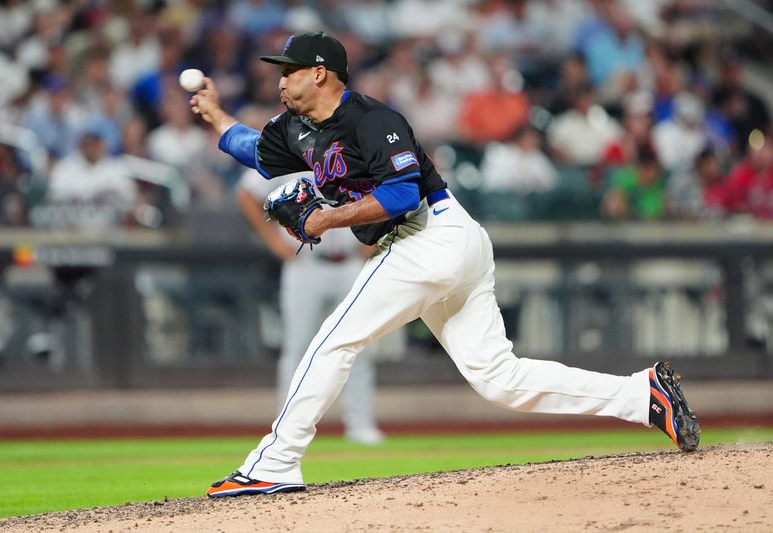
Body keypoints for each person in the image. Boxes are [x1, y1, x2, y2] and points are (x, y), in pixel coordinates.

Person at [189, 31, 700, 498]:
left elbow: (400, 192)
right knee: (499, 378)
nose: (278, 80)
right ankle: (642, 396)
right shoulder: (295, 128)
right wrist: (214, 113)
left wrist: (329, 218)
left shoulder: (372, 119)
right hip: (435, 245)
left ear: (319, 73)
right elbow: (255, 150)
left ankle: (275, 462)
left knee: (333, 340)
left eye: (288, 71)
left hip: (431, 234)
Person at [236, 167, 386, 445]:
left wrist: (377, 236)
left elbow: (392, 188)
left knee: (357, 345)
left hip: (350, 260)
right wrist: (272, 241)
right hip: (304, 262)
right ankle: (287, 428)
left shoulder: (352, 145)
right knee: (297, 347)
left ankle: (361, 424)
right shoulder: (289, 148)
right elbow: (246, 193)